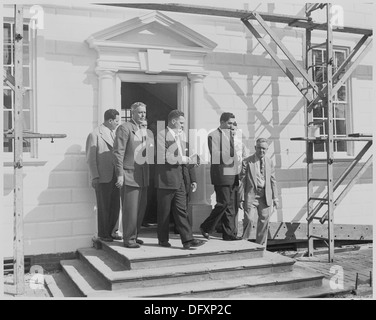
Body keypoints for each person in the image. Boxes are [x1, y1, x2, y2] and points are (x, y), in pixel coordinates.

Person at [155, 110, 205, 249]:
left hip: (180, 180)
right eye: (181, 123)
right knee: (164, 212)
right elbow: (165, 157)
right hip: (165, 180)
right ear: (173, 121)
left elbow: (187, 157)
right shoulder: (161, 135)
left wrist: (193, 175)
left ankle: (188, 240)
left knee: (181, 210)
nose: (183, 125)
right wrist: (185, 159)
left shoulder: (182, 136)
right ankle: (162, 240)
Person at [113, 102, 153, 248]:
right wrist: (120, 174)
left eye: (144, 112)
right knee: (130, 209)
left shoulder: (143, 129)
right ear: (133, 113)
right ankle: (128, 239)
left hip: (142, 175)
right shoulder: (125, 128)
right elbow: (118, 152)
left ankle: (134, 236)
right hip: (129, 174)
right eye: (140, 112)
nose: (143, 115)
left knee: (140, 209)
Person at [200, 112, 242, 241]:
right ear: (222, 122)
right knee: (223, 203)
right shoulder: (213, 136)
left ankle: (229, 234)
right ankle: (206, 227)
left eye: (233, 123)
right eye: (229, 123)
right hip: (222, 175)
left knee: (230, 206)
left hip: (232, 175)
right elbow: (217, 155)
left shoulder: (230, 135)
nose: (231, 126)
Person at [85, 109, 121, 242]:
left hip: (116, 176)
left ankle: (113, 231)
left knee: (115, 205)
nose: (118, 123)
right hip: (102, 177)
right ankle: (104, 234)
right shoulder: (95, 134)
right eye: (117, 121)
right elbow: (91, 158)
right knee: (104, 206)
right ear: (110, 120)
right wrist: (95, 177)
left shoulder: (116, 134)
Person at [239, 137, 279, 246]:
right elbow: (242, 181)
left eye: (264, 149)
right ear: (255, 148)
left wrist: (275, 198)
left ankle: (261, 247)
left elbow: (273, 180)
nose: (262, 151)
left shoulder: (269, 162)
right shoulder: (247, 161)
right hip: (251, 195)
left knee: (264, 222)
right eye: (260, 148)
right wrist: (241, 198)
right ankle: (244, 244)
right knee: (249, 220)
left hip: (265, 196)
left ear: (267, 150)